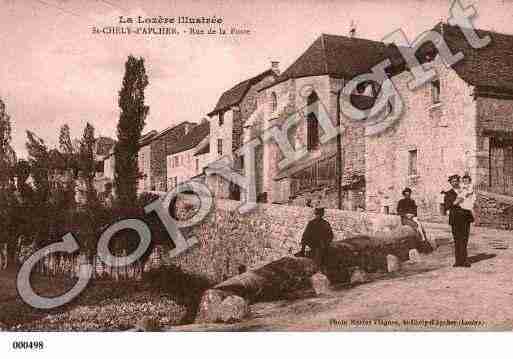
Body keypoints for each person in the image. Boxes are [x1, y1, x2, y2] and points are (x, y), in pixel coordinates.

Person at [444, 174, 473, 267]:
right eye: (452, 181)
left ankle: (465, 261)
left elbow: (471, 200)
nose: (455, 183)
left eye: (456, 181)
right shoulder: (448, 193)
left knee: (464, 239)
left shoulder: (465, 190)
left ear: (459, 181)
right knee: (457, 239)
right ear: (450, 183)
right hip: (455, 219)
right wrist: (455, 202)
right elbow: (447, 206)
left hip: (465, 218)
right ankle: (458, 261)